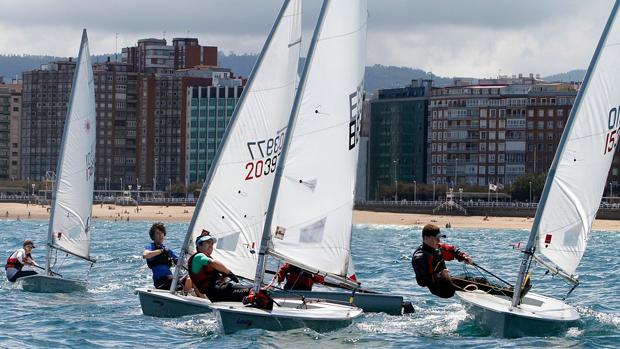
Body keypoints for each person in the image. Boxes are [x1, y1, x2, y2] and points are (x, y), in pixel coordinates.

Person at [411, 224, 474, 298]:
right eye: (436, 238)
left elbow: (451, 250)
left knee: (478, 281)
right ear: (426, 238)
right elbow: (422, 281)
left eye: (439, 238)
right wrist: (440, 274)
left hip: (447, 281)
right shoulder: (420, 257)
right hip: (441, 288)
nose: (439, 241)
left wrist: (464, 257)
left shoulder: (437, 248)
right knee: (477, 283)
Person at [188, 234, 250, 302]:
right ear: (199, 245)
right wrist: (229, 273)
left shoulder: (202, 261)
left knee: (250, 292)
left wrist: (224, 276)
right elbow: (212, 262)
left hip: (216, 294)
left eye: (212, 243)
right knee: (253, 289)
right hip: (219, 291)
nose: (211, 245)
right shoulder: (199, 256)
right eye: (208, 242)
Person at [142, 222, 189, 291]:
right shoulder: (151, 246)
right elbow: (145, 255)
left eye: (162, 233)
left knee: (190, 279)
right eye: (157, 233)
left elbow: (182, 262)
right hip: (160, 281)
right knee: (180, 285)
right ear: (153, 236)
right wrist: (161, 251)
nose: (160, 235)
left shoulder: (167, 251)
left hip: (170, 278)